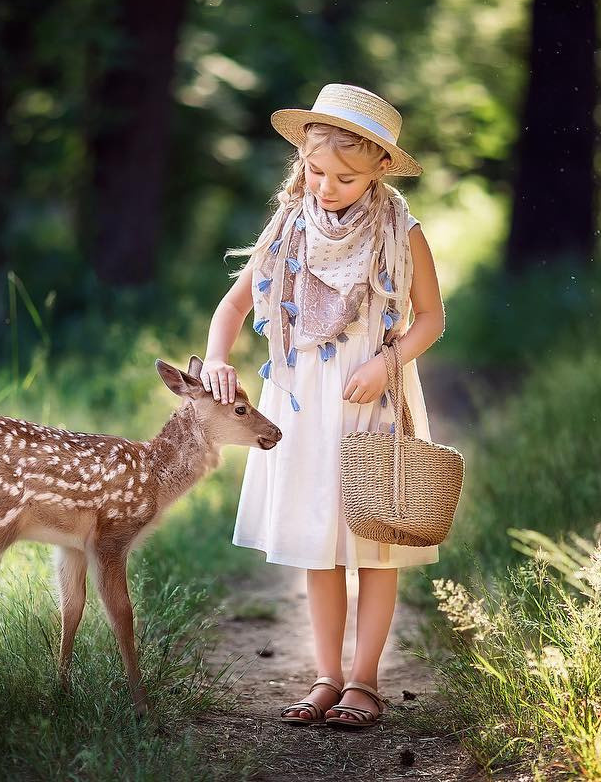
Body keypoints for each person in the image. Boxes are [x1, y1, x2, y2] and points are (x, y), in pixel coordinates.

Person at [200, 84, 445, 729]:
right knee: (319, 540)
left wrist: (386, 362)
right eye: (314, 171)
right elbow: (233, 307)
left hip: (372, 396)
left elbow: (429, 318)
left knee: (374, 539)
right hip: (303, 398)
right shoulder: (287, 229)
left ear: (379, 172)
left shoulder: (401, 231)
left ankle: (365, 680)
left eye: (346, 177)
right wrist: (218, 359)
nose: (327, 186)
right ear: (299, 162)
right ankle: (326, 676)